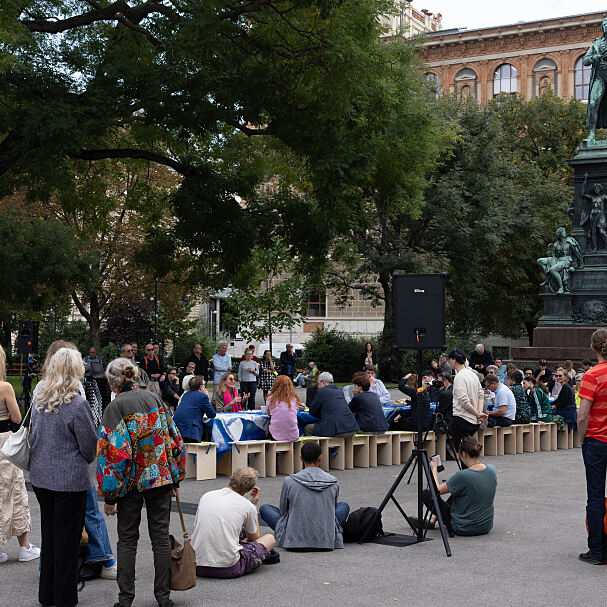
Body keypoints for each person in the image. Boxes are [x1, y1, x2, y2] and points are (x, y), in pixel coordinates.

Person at [97, 357, 186, 607]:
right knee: (159, 537)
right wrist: (176, 476)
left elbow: (111, 456)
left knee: (127, 539)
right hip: (159, 478)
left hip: (130, 484)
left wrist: (110, 496)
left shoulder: (115, 407)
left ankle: (125, 600)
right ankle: (163, 598)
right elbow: (174, 439)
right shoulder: (155, 399)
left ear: (113, 382)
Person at [29, 348, 97, 607]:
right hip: (69, 479)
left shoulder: (39, 399)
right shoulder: (77, 404)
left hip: (41, 476)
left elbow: (34, 434)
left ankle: (46, 594)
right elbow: (89, 446)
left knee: (50, 535)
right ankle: (65, 596)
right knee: (68, 541)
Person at [260, 442, 349, 550]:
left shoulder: (290, 481)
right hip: (325, 539)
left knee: (265, 509)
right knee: (343, 506)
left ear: (301, 458)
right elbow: (331, 509)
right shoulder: (333, 482)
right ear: (320, 457)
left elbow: (284, 511)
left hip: (294, 539)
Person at [191, 467, 276, 578]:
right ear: (249, 489)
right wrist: (254, 505)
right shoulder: (247, 505)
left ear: (232, 477)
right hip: (228, 568)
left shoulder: (207, 495)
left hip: (195, 566)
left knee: (195, 534)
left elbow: (197, 527)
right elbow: (254, 537)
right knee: (269, 538)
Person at [0, 345, 40, 566]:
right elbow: (17, 417)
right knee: (14, 491)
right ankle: (24, 546)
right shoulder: (4, 387)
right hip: (4, 440)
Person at [412, 436, 497, 536]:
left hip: (463, 527)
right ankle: (433, 518)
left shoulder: (463, 475)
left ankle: (434, 517)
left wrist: (433, 469)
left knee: (426, 494)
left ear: (464, 454)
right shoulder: (491, 469)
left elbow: (436, 491)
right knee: (459, 490)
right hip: (486, 525)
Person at [577, 328, 607, 565]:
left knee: (595, 497)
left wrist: (581, 439)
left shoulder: (592, 375)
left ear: (593, 347)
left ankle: (597, 549)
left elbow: (583, 415)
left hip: (597, 441)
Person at [447, 349, 486, 453]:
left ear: (454, 360)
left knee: (462, 453)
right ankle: (469, 469)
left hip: (462, 419)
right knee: (468, 452)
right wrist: (479, 412)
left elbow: (464, 401)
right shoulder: (473, 374)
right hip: (473, 421)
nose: (448, 362)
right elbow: (481, 395)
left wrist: (478, 414)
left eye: (449, 360)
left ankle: (466, 469)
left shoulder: (459, 376)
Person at [305, 372, 359, 437]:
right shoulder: (339, 391)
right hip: (352, 428)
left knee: (308, 428)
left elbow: (312, 411)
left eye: (318, 383)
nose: (317, 386)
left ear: (323, 383)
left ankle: (314, 447)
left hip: (337, 430)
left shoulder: (321, 391)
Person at [173, 376, 216, 443]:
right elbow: (212, 414)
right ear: (201, 387)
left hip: (177, 429)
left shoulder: (185, 395)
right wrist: (207, 396)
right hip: (191, 431)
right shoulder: (202, 396)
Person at [266, 375, 303, 442]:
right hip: (293, 435)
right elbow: (296, 412)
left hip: (275, 435)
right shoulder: (294, 399)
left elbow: (268, 413)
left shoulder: (270, 399)